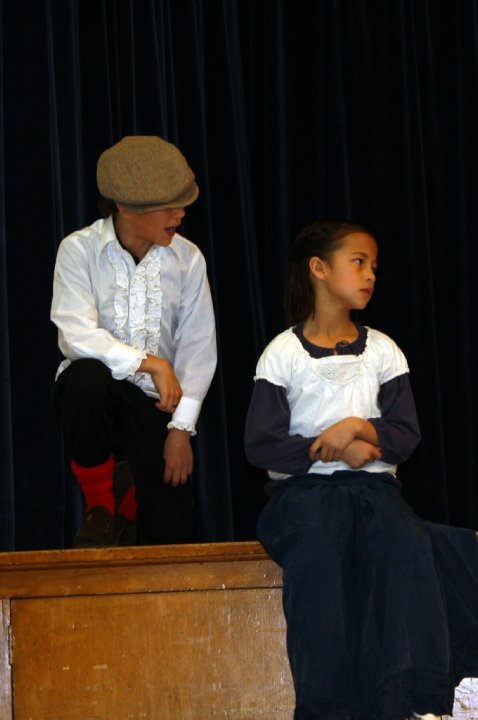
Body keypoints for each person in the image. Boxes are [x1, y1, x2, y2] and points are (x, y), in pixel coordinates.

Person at [244, 220, 478, 720]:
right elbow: (261, 444)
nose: (371, 274)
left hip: (375, 492)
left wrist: (358, 430)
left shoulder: (384, 350)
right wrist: (326, 447)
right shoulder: (282, 353)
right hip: (303, 497)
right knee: (320, 558)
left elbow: (406, 434)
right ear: (319, 269)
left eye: (374, 266)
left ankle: (414, 700)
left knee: (406, 547)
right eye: (359, 262)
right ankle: (325, 705)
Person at [51, 135, 217, 547]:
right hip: (98, 395)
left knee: (171, 534)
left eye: (183, 202)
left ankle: (130, 499)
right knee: (83, 378)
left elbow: (198, 347)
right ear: (125, 207)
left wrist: (181, 429)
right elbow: (74, 333)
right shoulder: (79, 249)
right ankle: (101, 507)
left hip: (157, 408)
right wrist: (150, 362)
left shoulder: (189, 259)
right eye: (169, 204)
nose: (180, 213)